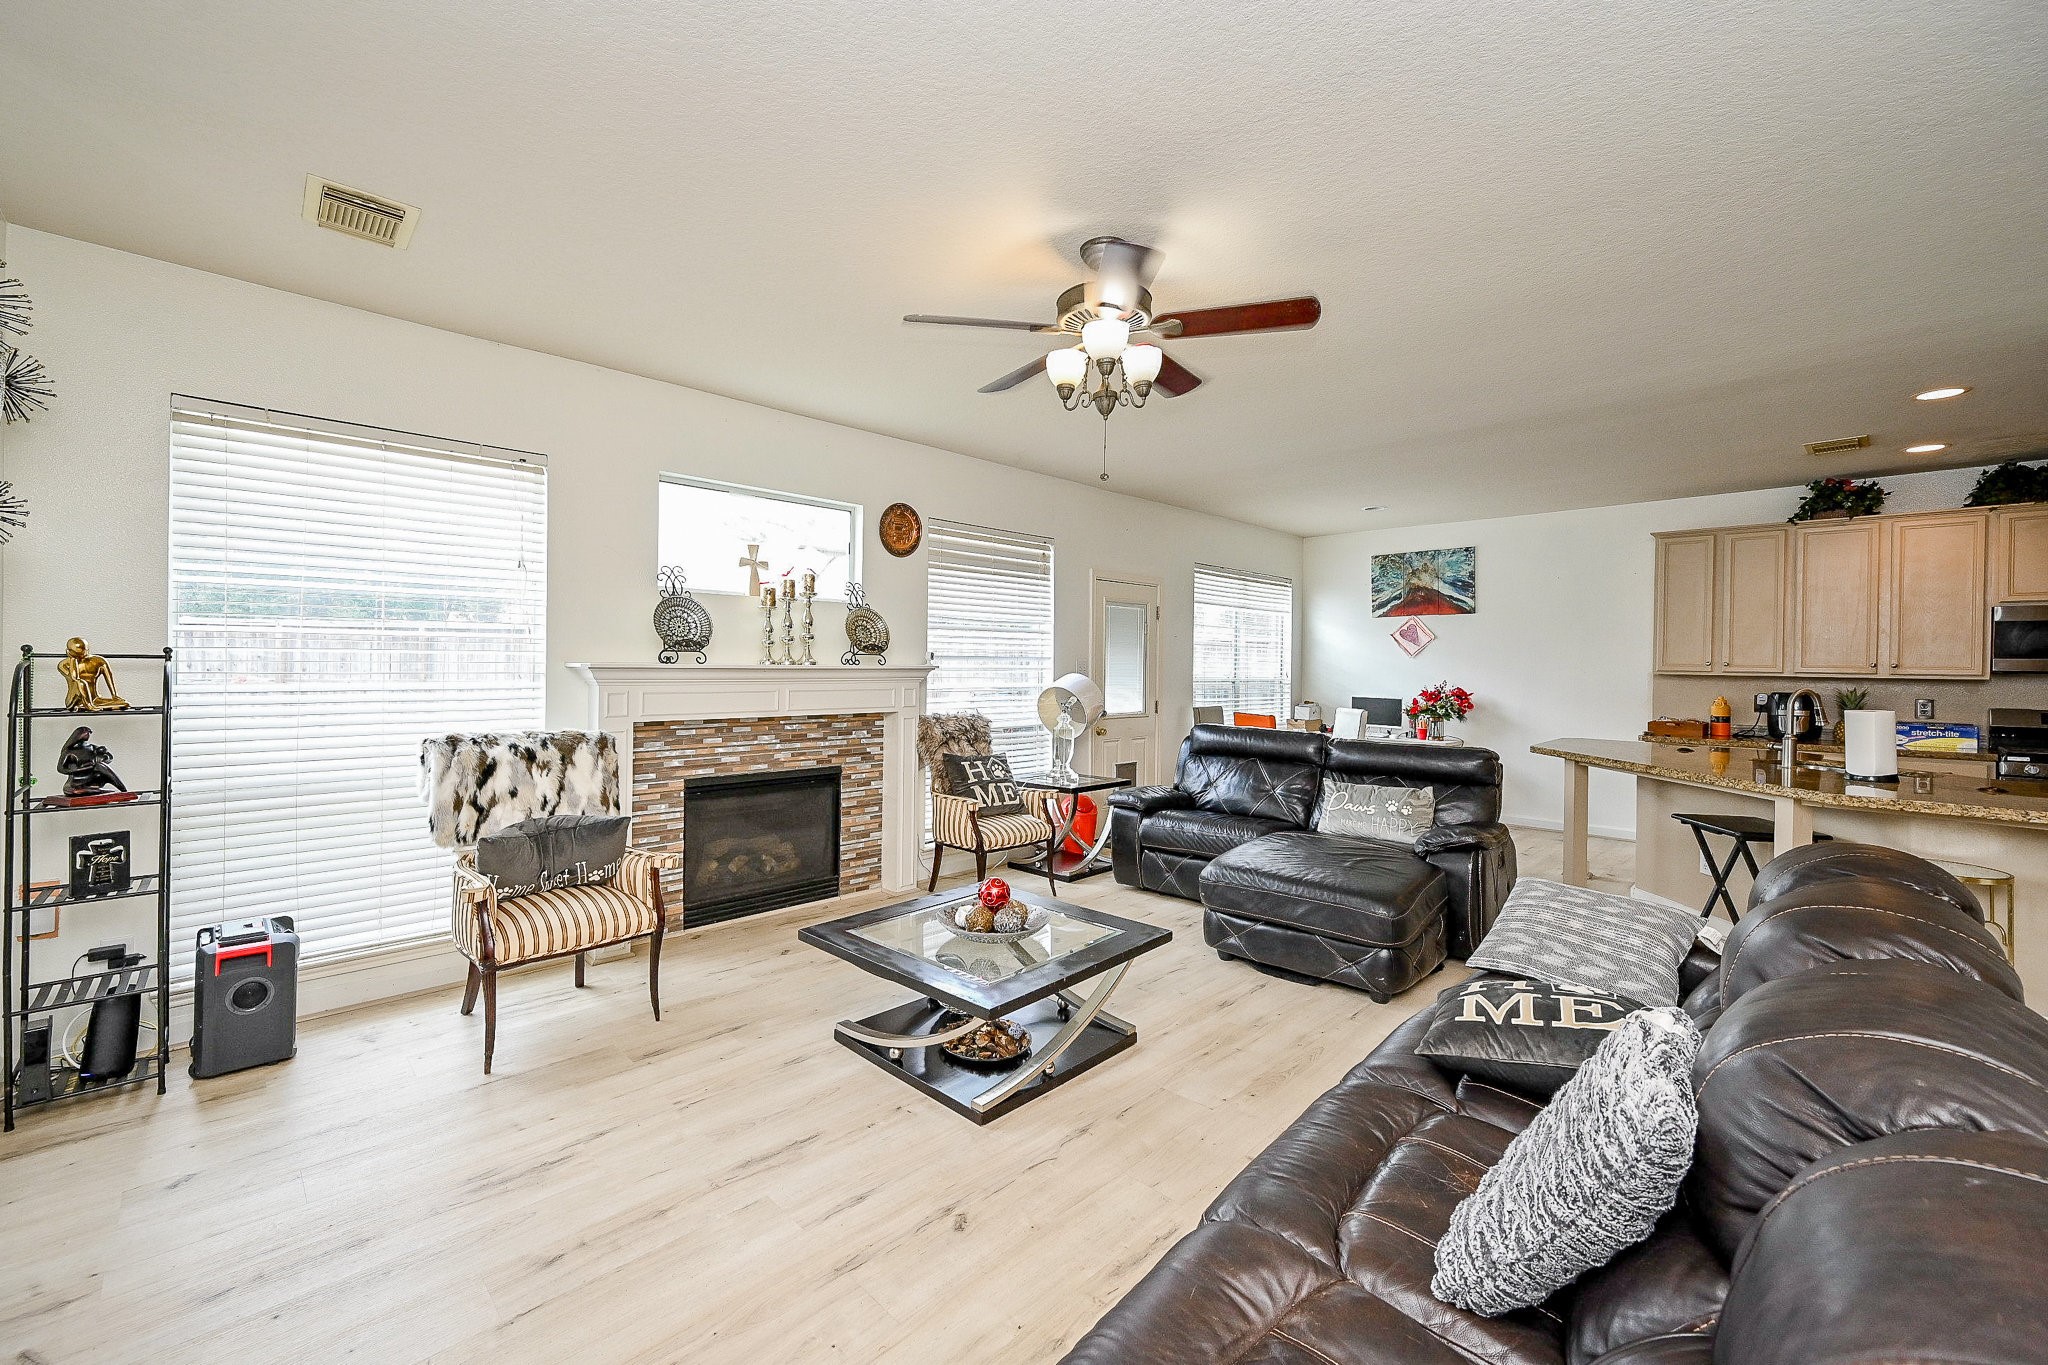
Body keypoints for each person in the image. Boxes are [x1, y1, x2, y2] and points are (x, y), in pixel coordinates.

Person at [57, 637, 129, 711]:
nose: (84, 653)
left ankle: (90, 706)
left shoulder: (99, 661)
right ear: (70, 652)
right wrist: (73, 659)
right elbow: (74, 678)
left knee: (124, 704)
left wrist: (115, 696)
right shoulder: (63, 665)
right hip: (75, 700)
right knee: (81, 683)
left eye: (85, 650)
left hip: (95, 699)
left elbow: (109, 678)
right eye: (78, 652)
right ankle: (88, 706)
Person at [58, 726, 126, 796]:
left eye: (89, 733)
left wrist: (104, 757)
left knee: (100, 766)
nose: (88, 735)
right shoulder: (69, 751)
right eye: (86, 733)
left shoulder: (92, 747)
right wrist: (79, 769)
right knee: (75, 791)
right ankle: (94, 790)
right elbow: (60, 769)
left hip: (93, 780)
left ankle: (123, 790)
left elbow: (109, 757)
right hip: (75, 783)